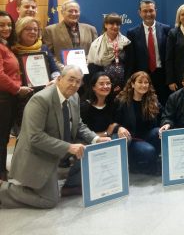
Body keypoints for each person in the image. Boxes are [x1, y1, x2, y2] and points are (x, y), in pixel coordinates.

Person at [0, 66, 110, 209]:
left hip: (57, 148)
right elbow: (35, 137)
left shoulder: (74, 97)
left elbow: (78, 124)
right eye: (71, 80)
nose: (74, 84)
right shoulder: (40, 100)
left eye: (78, 81)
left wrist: (96, 139)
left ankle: (70, 184)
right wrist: (69, 147)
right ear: (59, 79)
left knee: (90, 147)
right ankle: (3, 188)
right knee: (49, 200)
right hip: (38, 154)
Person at [0, 11, 33, 181]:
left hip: (9, 98)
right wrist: (17, 89)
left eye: (9, 25)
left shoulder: (6, 45)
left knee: (4, 137)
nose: (6, 28)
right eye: (1, 25)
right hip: (3, 98)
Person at [12, 17, 60, 132]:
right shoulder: (13, 49)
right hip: (22, 96)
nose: (33, 32)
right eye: (28, 29)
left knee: (44, 129)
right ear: (19, 31)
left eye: (35, 29)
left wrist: (55, 79)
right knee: (26, 131)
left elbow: (54, 69)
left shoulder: (43, 47)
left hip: (44, 93)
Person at [115, 71, 161, 175]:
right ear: (132, 84)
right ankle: (136, 163)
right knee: (149, 151)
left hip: (148, 136)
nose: (143, 85)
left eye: (146, 82)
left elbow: (163, 116)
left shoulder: (152, 99)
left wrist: (167, 124)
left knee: (159, 132)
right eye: (140, 82)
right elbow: (114, 121)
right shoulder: (122, 101)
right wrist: (119, 128)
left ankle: (150, 162)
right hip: (132, 139)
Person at [126, 0, 170, 106]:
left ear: (156, 11)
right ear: (139, 13)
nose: (148, 14)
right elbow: (131, 60)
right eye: (145, 11)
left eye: (151, 10)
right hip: (142, 77)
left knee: (163, 104)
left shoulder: (166, 29)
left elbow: (170, 56)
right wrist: (128, 81)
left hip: (162, 76)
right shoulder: (132, 33)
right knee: (144, 106)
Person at [42, 0, 98, 70]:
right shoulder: (50, 30)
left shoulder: (91, 29)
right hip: (62, 72)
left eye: (76, 11)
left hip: (87, 73)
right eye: (70, 11)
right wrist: (61, 67)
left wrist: (88, 63)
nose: (74, 14)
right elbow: (49, 54)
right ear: (62, 12)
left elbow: (95, 52)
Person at [87, 13, 131, 94]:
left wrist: (123, 84)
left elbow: (130, 65)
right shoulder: (96, 44)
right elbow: (92, 67)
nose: (115, 26)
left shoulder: (126, 42)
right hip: (104, 86)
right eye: (111, 23)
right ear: (105, 25)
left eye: (117, 24)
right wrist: (106, 84)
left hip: (123, 86)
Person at [80, 72, 118, 137]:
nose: (105, 86)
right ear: (93, 87)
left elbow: (116, 124)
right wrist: (106, 133)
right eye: (101, 84)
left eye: (108, 83)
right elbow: (82, 134)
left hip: (110, 140)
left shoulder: (113, 104)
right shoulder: (84, 107)